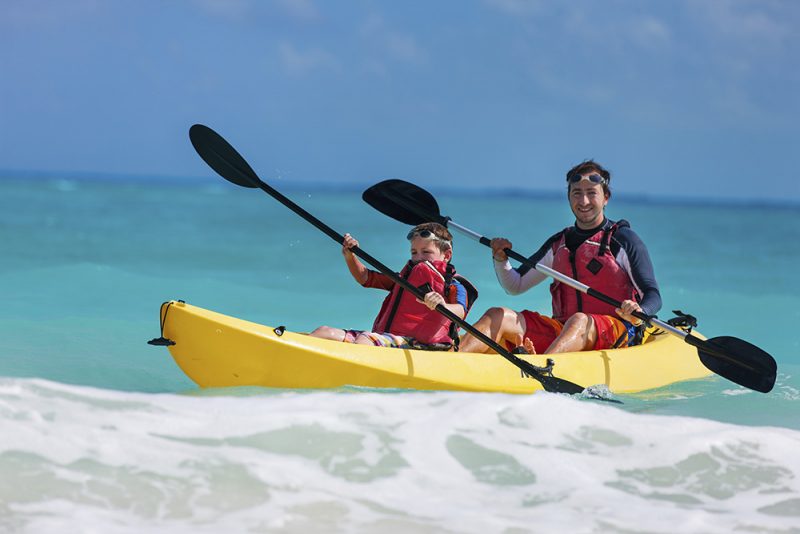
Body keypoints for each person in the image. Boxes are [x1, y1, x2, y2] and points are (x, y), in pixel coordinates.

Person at [459, 160, 661, 355]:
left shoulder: (622, 240)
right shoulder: (559, 244)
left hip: (617, 331)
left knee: (579, 320)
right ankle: (452, 359)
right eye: (577, 193)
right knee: (498, 315)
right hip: (565, 331)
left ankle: (542, 368)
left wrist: (639, 310)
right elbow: (516, 284)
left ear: (606, 197)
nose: (583, 201)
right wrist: (500, 259)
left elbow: (653, 294)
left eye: (592, 193)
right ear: (569, 197)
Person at [310, 222, 477, 350]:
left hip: (420, 345)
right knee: (323, 332)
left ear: (446, 255)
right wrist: (350, 255)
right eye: (414, 252)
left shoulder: (453, 284)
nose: (418, 257)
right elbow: (365, 278)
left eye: (426, 252)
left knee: (367, 340)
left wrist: (441, 305)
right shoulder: (404, 278)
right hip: (387, 338)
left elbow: (460, 311)